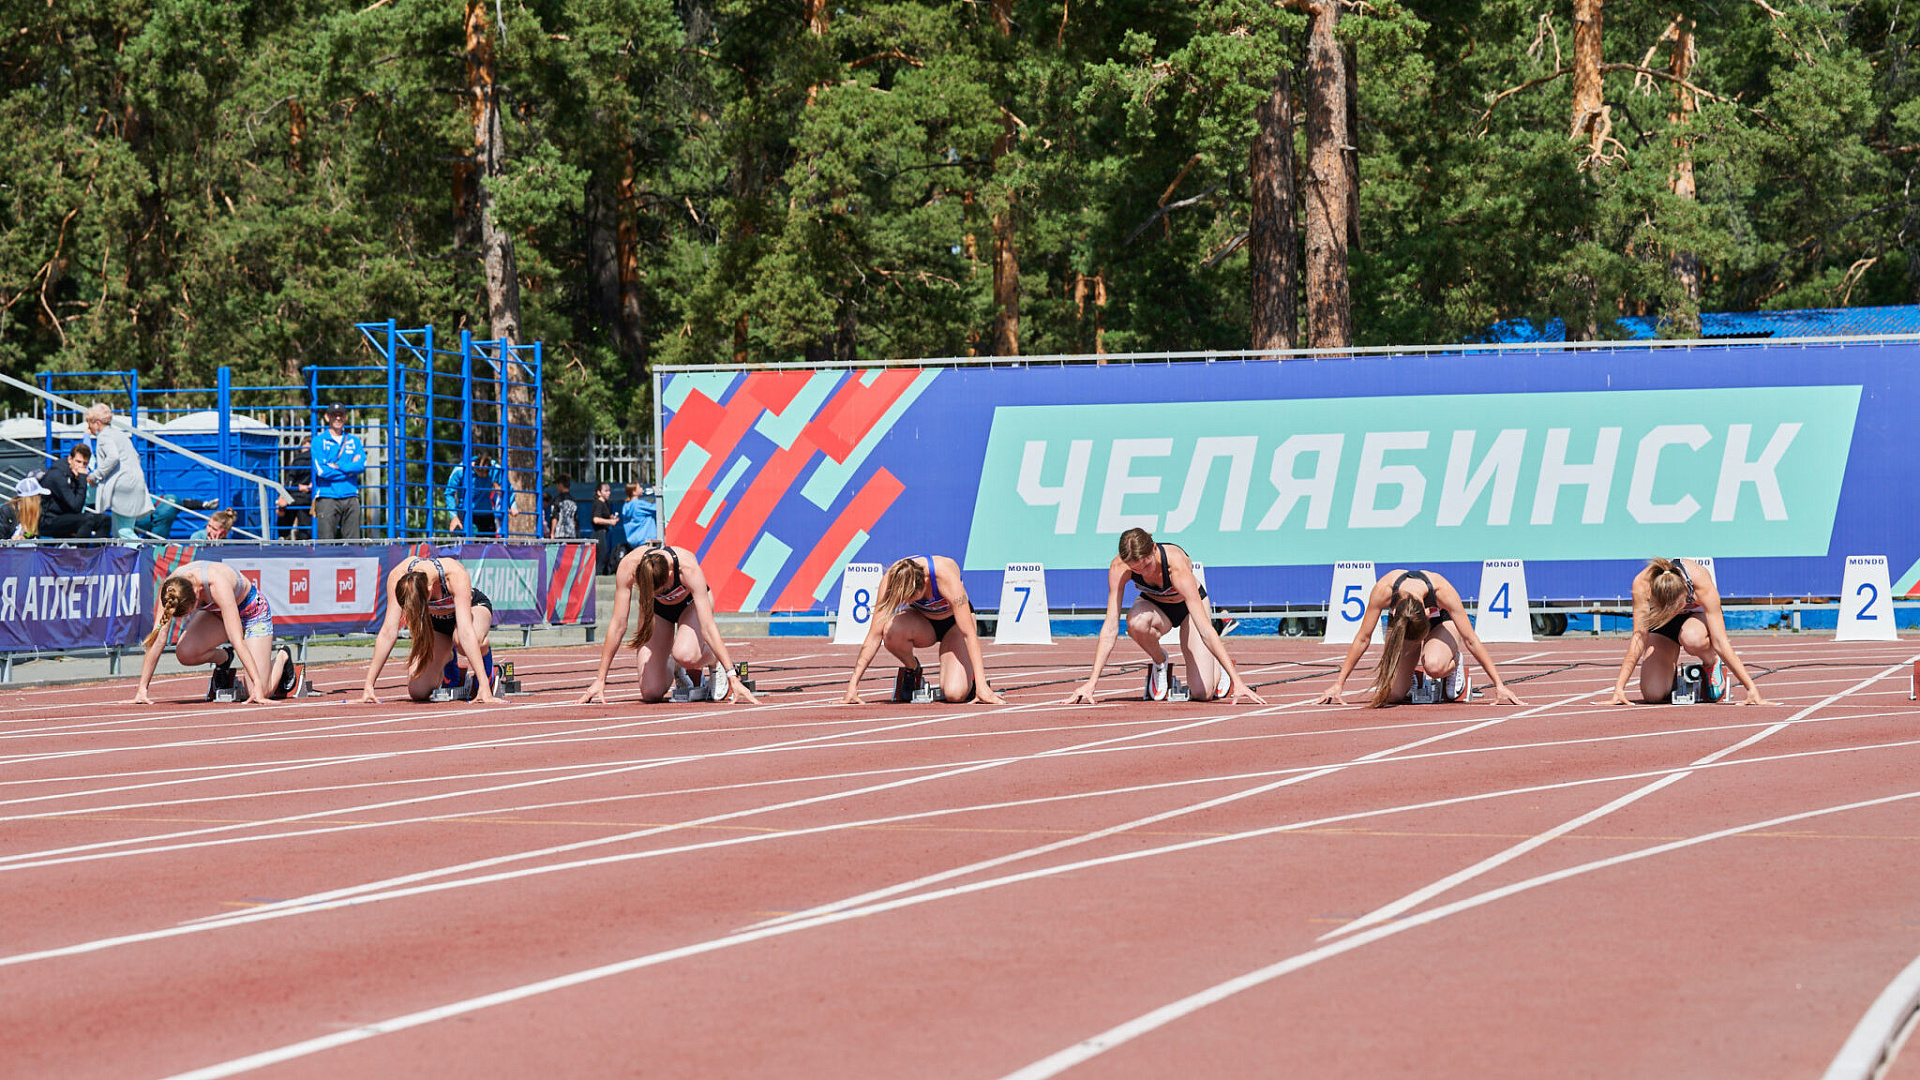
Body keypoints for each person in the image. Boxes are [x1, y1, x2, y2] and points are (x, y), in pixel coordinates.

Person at [1064, 529, 1265, 705]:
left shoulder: (1176, 566)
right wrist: (1091, 683)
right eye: (1136, 569)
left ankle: (1220, 667)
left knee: (1202, 693)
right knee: (1135, 622)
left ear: (1153, 549)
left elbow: (1205, 630)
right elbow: (1110, 627)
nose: (1142, 572)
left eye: (1146, 566)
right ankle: (1160, 661)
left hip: (1188, 607)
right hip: (1156, 606)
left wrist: (1238, 681)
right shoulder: (1119, 567)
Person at [576, 542, 761, 705]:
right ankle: (674, 661)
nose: (659, 594)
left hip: (691, 607)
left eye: (662, 590)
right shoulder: (628, 567)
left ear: (671, 572)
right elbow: (618, 624)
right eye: (652, 592)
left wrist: (732, 676)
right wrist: (600, 679)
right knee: (651, 691)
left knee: (685, 654)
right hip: (659, 613)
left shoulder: (687, 568)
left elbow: (708, 627)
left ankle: (712, 660)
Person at [1315, 568, 1526, 707]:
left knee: (1434, 666)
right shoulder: (1383, 591)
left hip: (1440, 625)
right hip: (1405, 629)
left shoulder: (1442, 591)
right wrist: (1338, 684)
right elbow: (1363, 638)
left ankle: (1452, 662)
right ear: (1394, 612)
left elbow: (1470, 638)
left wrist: (1499, 684)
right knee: (1393, 695)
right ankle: (1411, 680)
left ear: (1426, 612)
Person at [841, 555, 1007, 705]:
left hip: (954, 625)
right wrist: (852, 685)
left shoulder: (945, 575)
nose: (906, 601)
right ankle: (913, 669)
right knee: (890, 631)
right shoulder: (893, 578)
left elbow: (969, 634)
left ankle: (970, 679)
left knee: (955, 694)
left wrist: (982, 685)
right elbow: (874, 634)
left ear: (925, 583)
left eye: (910, 598)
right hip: (924, 624)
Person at [1610, 558, 1775, 705]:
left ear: (1684, 593)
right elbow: (1639, 636)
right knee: (1653, 694)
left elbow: (1721, 642)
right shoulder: (1642, 584)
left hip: (1697, 620)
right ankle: (1670, 679)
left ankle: (1711, 662)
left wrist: (1750, 688)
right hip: (1662, 625)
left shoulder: (1700, 581)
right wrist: (1619, 688)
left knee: (1691, 638)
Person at [132, 560, 297, 705]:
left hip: (251, 613)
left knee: (259, 690)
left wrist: (257, 684)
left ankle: (283, 656)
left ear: (197, 594)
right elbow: (158, 638)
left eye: (191, 610)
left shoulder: (217, 584)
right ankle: (224, 658)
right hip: (218, 614)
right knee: (185, 653)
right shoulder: (171, 590)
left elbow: (237, 639)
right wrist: (142, 689)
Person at [358, 550, 502, 703]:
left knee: (462, 640)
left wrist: (484, 690)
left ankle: (487, 674)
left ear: (429, 589)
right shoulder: (398, 576)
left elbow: (466, 631)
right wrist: (369, 685)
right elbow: (388, 632)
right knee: (418, 691)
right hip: (437, 623)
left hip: (472, 611)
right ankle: (451, 665)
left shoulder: (453, 574)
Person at [84, 402, 153, 539]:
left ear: (97, 423)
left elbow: (113, 457)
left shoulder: (103, 437)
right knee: (121, 530)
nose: (88, 428)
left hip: (122, 486)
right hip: (135, 484)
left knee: (124, 532)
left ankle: (140, 554)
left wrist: (94, 476)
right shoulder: (119, 434)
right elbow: (136, 456)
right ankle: (128, 558)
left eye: (89, 423)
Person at [313, 404, 367, 540]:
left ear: (346, 417)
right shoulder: (319, 441)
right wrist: (350, 471)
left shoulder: (354, 441)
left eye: (341, 415)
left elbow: (361, 465)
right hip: (327, 497)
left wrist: (338, 466)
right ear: (327, 417)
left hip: (351, 496)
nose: (338, 418)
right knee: (326, 543)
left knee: (353, 543)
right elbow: (322, 471)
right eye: (334, 415)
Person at [40, 444, 111, 539]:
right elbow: (76, 506)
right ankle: (81, 552)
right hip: (49, 520)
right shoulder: (58, 475)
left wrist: (79, 479)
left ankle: (99, 552)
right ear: (70, 459)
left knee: (105, 519)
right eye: (78, 462)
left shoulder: (73, 475)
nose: (81, 466)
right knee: (86, 519)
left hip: (66, 517)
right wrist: (82, 479)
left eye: (85, 464)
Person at [444, 452, 504, 536]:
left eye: (486, 473)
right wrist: (453, 516)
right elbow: (449, 493)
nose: (483, 476)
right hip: (466, 513)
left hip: (485, 514)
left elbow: (507, 487)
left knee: (489, 546)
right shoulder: (460, 470)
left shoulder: (494, 468)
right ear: (475, 468)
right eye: (480, 472)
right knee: (466, 545)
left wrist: (512, 505)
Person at [275, 435, 313, 540]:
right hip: (307, 498)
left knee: (283, 528)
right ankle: (305, 549)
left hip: (292, 496)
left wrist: (283, 494)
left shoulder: (298, 460)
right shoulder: (317, 460)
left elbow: (290, 478)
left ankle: (282, 541)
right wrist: (310, 487)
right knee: (306, 529)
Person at [0, 475, 46, 541]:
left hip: (27, 548)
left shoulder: (38, 512)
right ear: (32, 499)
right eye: (39, 496)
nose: (41, 499)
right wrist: (10, 540)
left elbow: (32, 534)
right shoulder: (6, 510)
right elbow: (2, 534)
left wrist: (25, 538)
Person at [622, 482, 660, 551]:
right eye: (639, 487)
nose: (642, 488)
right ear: (634, 492)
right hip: (646, 540)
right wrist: (656, 493)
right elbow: (657, 507)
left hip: (633, 541)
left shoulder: (626, 505)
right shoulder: (638, 504)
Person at [591, 482, 619, 573]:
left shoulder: (605, 503)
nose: (608, 493)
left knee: (604, 556)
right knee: (601, 557)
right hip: (598, 533)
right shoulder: (599, 503)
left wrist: (610, 518)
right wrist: (610, 521)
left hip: (603, 533)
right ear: (599, 492)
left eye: (609, 491)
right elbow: (596, 519)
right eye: (606, 491)